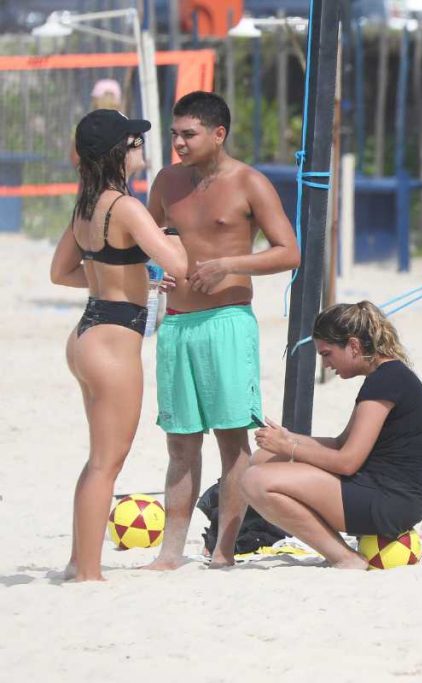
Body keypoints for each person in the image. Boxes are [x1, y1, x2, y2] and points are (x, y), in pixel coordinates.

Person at [144, 91, 300, 570]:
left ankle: (224, 550)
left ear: (218, 133)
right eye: (174, 133)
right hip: (176, 324)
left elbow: (289, 251)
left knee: (231, 439)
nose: (178, 143)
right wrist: (156, 272)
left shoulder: (248, 182)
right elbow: (144, 241)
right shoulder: (167, 182)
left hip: (227, 322)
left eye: (188, 134)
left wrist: (229, 264)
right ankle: (170, 553)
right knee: (180, 442)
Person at [50, 109, 188, 581]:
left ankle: (77, 561)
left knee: (97, 461)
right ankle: (88, 572)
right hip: (113, 341)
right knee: (107, 464)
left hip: (88, 330)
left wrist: (135, 285)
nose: (143, 148)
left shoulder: (86, 206)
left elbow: (61, 272)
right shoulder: (125, 207)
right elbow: (178, 262)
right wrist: (173, 236)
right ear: (120, 151)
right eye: (137, 141)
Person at [242, 302, 422, 570]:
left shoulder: (386, 381)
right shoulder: (387, 376)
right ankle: (338, 550)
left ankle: (343, 557)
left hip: (393, 501)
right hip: (385, 491)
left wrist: (290, 447)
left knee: (256, 481)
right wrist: (288, 439)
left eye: (327, 353)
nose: (325, 363)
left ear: (354, 346)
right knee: (262, 459)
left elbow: (347, 461)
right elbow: (339, 443)